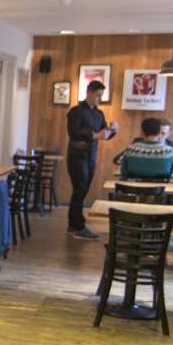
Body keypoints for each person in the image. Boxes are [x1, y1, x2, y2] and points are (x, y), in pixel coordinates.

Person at [66, 80, 117, 239]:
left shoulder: (99, 114)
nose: (99, 99)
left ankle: (73, 224)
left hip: (91, 155)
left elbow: (104, 134)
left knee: (82, 190)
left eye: (101, 96)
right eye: (97, 95)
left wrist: (112, 130)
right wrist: (94, 135)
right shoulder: (75, 111)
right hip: (77, 155)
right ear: (88, 93)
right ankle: (79, 226)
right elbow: (73, 133)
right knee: (79, 189)